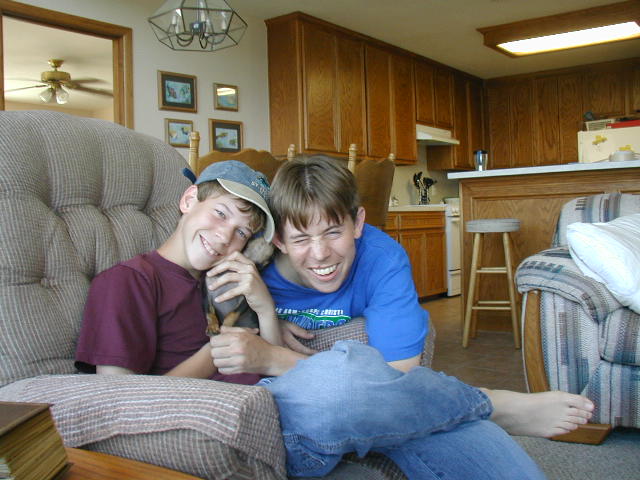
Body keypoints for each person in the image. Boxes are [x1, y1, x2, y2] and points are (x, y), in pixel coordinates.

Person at [206, 155, 594, 478]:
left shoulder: (382, 258)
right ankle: (486, 403)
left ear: (358, 223)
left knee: (504, 465)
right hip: (302, 415)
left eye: (334, 232)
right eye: (301, 239)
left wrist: (275, 357)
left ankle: (474, 410)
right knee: (338, 394)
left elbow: (399, 378)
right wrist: (267, 321)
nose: (320, 254)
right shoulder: (247, 267)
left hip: (385, 407)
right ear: (278, 240)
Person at [75, 160, 282, 385]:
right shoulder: (128, 280)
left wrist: (266, 310)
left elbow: (272, 366)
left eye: (242, 232)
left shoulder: (228, 283)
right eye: (221, 213)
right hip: (216, 401)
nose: (225, 237)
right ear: (189, 200)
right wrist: (216, 352)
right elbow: (119, 392)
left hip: (270, 391)